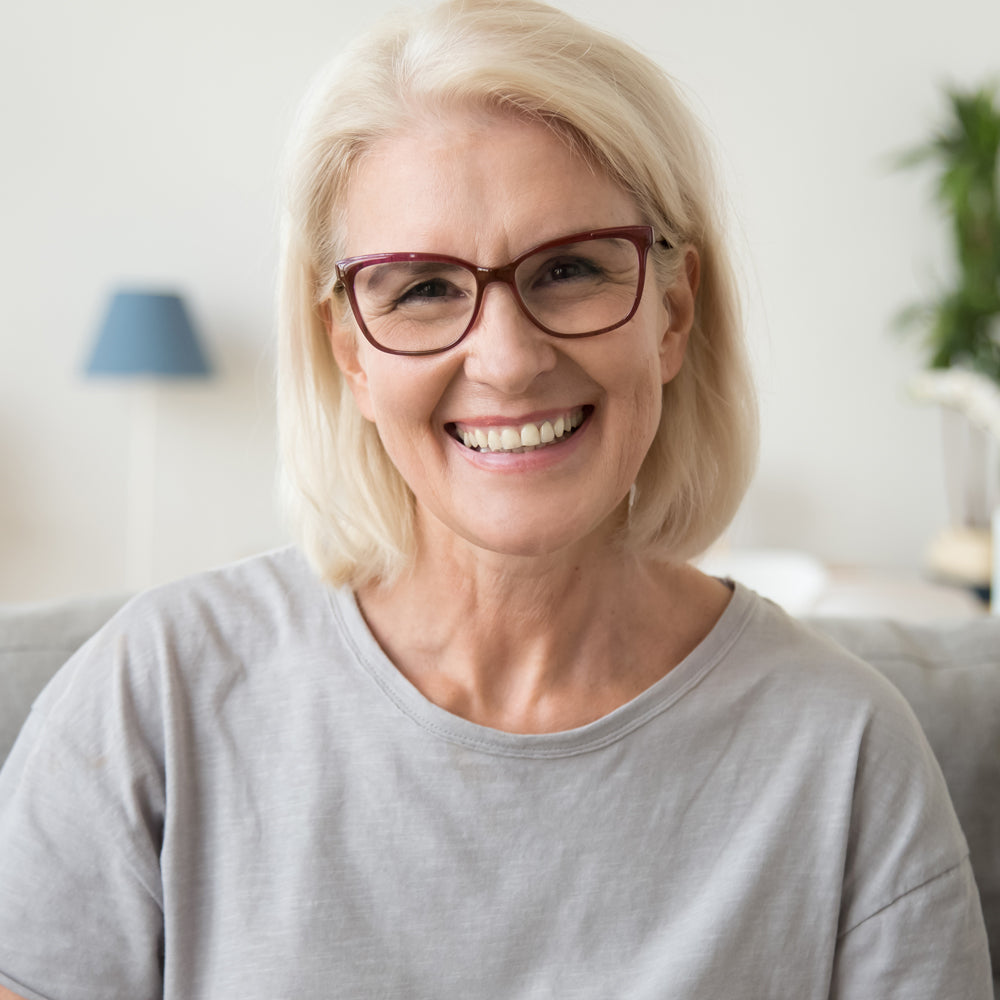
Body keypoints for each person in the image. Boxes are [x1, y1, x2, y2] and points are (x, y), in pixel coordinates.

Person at [0, 0, 992, 996]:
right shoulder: (156, 697)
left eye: (568, 269)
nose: (509, 361)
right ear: (349, 349)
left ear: (673, 313)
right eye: (423, 288)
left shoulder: (845, 753)